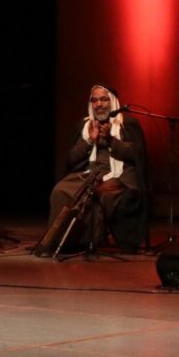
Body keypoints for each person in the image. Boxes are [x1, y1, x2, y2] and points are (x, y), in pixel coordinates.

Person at [40, 84, 149, 254]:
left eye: (104, 99)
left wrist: (111, 140)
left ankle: (91, 240)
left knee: (98, 193)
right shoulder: (84, 125)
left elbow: (135, 154)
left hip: (117, 175)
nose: (99, 104)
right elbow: (72, 159)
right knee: (60, 191)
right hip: (89, 174)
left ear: (112, 101)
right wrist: (90, 141)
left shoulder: (126, 124)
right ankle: (62, 242)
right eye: (95, 100)